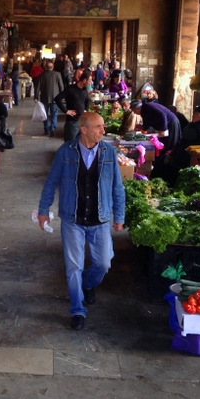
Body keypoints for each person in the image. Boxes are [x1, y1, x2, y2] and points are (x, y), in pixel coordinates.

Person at [37, 112, 126, 331]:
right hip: (72, 218)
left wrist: (119, 216)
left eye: (103, 126)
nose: (103, 131)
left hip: (100, 218)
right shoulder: (65, 152)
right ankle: (77, 309)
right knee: (73, 266)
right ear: (83, 129)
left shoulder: (108, 152)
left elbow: (117, 187)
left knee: (103, 263)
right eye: (98, 127)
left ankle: (87, 285)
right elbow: (51, 183)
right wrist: (43, 210)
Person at [130, 99, 182, 183]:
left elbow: (162, 115)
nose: (134, 113)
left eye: (134, 110)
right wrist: (143, 127)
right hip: (166, 126)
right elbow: (148, 121)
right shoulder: (145, 110)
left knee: (168, 146)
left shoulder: (149, 106)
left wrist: (163, 129)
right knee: (163, 144)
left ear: (138, 108)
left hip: (171, 125)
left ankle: (164, 171)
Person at [55, 69, 92, 142]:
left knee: (80, 143)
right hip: (72, 123)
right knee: (70, 143)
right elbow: (57, 99)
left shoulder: (84, 90)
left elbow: (87, 100)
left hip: (82, 122)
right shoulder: (70, 89)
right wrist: (66, 111)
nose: (90, 83)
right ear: (84, 80)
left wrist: (86, 110)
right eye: (89, 81)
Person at [36, 60, 65, 138]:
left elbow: (38, 87)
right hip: (55, 98)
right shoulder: (58, 74)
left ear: (46, 67)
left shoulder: (42, 75)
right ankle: (52, 127)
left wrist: (36, 96)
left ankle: (46, 129)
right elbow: (61, 87)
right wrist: (62, 97)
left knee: (44, 114)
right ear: (53, 67)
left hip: (44, 98)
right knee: (54, 114)